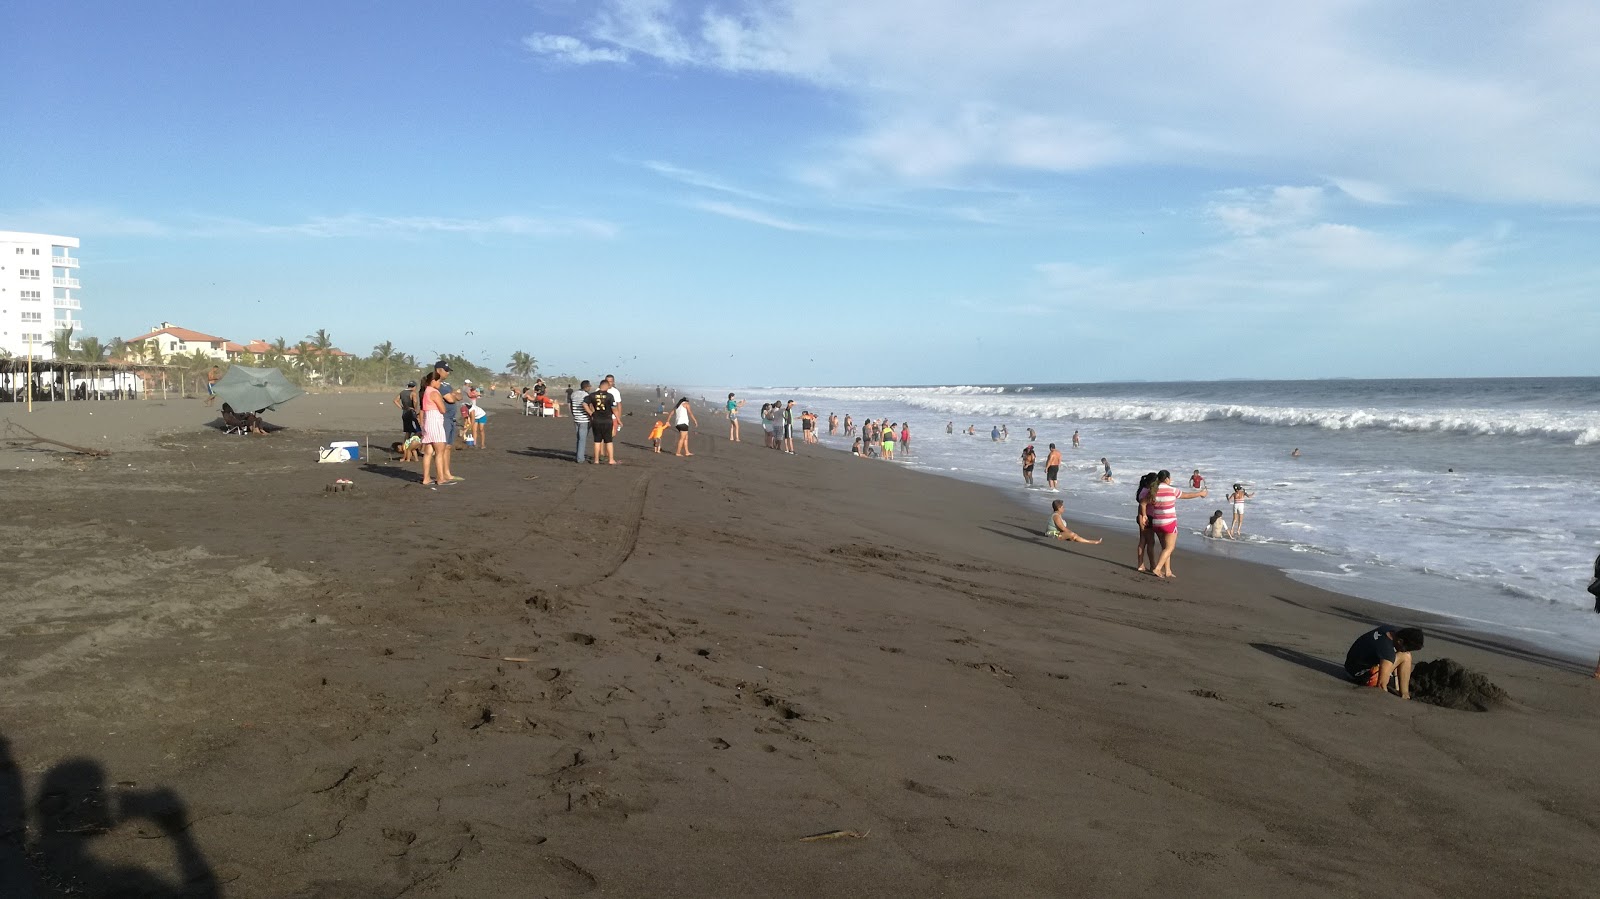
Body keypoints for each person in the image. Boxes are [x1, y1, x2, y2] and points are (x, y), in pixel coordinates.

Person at [1138, 469, 1207, 578]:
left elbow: (1142, 503)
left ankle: (1168, 571)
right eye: (1170, 478)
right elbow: (1186, 496)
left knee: (1165, 547)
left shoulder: (1154, 491)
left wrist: (1144, 515)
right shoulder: (1172, 490)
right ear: (1166, 479)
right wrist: (1200, 493)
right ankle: (1157, 568)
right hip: (1169, 523)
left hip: (1157, 522)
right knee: (1169, 548)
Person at [1344, 626, 1425, 698]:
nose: (1405, 651)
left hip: (1352, 665)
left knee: (1404, 655)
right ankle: (1405, 694)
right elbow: (1381, 685)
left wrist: (1396, 682)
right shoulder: (1387, 650)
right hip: (1357, 675)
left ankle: (1403, 692)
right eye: (1405, 649)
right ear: (1400, 641)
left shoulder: (1389, 629)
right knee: (1406, 656)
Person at [417, 371, 451, 486]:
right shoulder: (434, 392)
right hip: (435, 421)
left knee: (428, 452)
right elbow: (443, 409)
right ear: (433, 381)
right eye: (438, 381)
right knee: (439, 452)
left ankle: (426, 478)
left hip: (428, 422)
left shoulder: (425, 391)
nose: (440, 383)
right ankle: (440, 478)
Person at [432, 361, 461, 480]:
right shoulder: (435, 383)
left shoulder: (446, 384)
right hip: (443, 418)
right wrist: (453, 395)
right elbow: (451, 399)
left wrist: (454, 395)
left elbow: (460, 396)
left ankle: (447, 473)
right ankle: (441, 474)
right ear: (439, 370)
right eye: (446, 370)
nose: (448, 372)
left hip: (452, 419)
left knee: (448, 447)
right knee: (441, 448)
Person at [584, 381, 618, 465]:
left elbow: (584, 403)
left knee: (597, 440)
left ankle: (596, 460)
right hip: (607, 420)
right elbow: (614, 408)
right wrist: (618, 419)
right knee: (609, 441)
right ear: (606, 386)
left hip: (596, 420)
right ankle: (611, 459)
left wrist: (590, 412)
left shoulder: (592, 395)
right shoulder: (610, 396)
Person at [1134, 473, 1159, 571]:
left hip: (1141, 517)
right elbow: (1144, 504)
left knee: (1142, 541)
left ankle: (1140, 564)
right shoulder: (1148, 492)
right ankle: (1153, 565)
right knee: (1150, 542)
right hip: (1147, 518)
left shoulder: (1142, 490)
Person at [569, 380, 592, 463]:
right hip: (584, 419)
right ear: (586, 387)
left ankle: (579, 455)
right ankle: (580, 458)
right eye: (590, 386)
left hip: (576, 418)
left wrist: (574, 414)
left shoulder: (574, 394)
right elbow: (588, 407)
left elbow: (571, 406)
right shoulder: (586, 395)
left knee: (579, 438)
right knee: (582, 439)